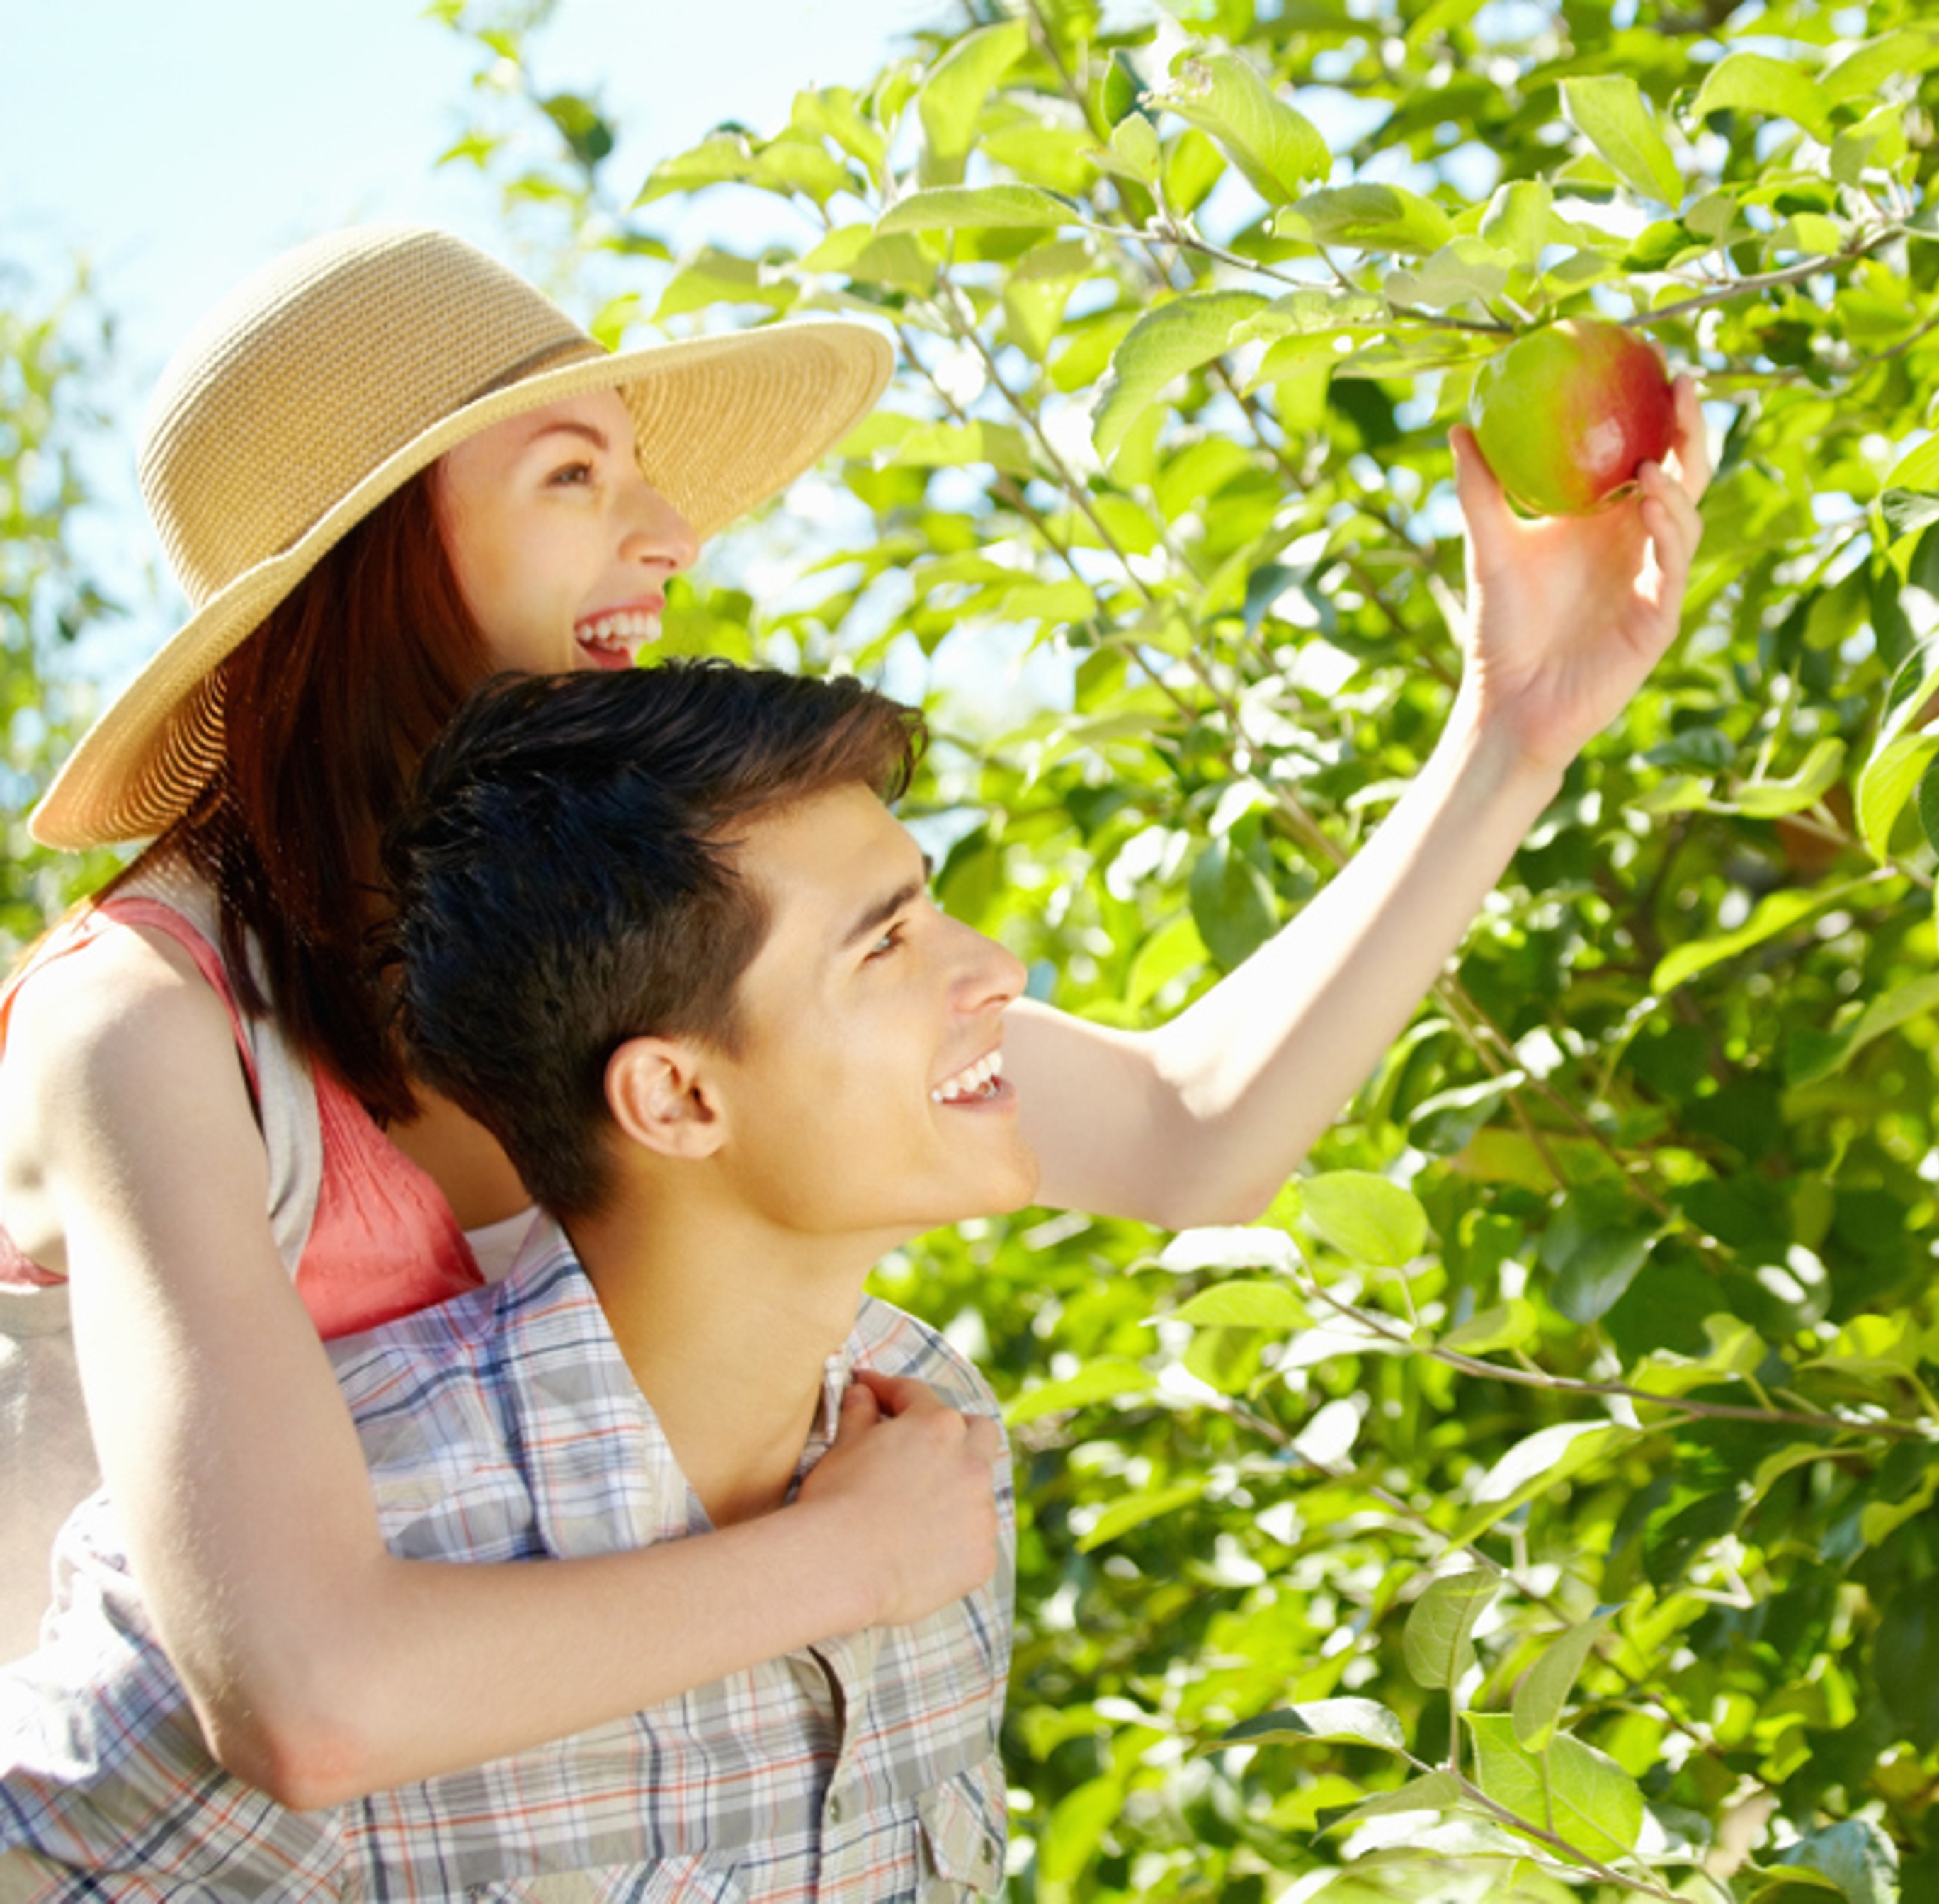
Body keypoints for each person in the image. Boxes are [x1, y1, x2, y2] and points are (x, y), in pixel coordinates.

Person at [0, 222, 1706, 1803]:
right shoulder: (148, 1030)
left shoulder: (630, 918)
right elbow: (302, 1695)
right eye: (575, 476)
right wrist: (853, 1565)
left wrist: (1510, 738)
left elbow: (1192, 1135)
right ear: (373, 565)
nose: (667, 541)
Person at [2, 662, 1024, 1896]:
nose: (1000, 969)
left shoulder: (936, 1438)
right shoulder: (347, 1549)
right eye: (889, 943)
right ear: (678, 1096)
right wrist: (849, 1563)